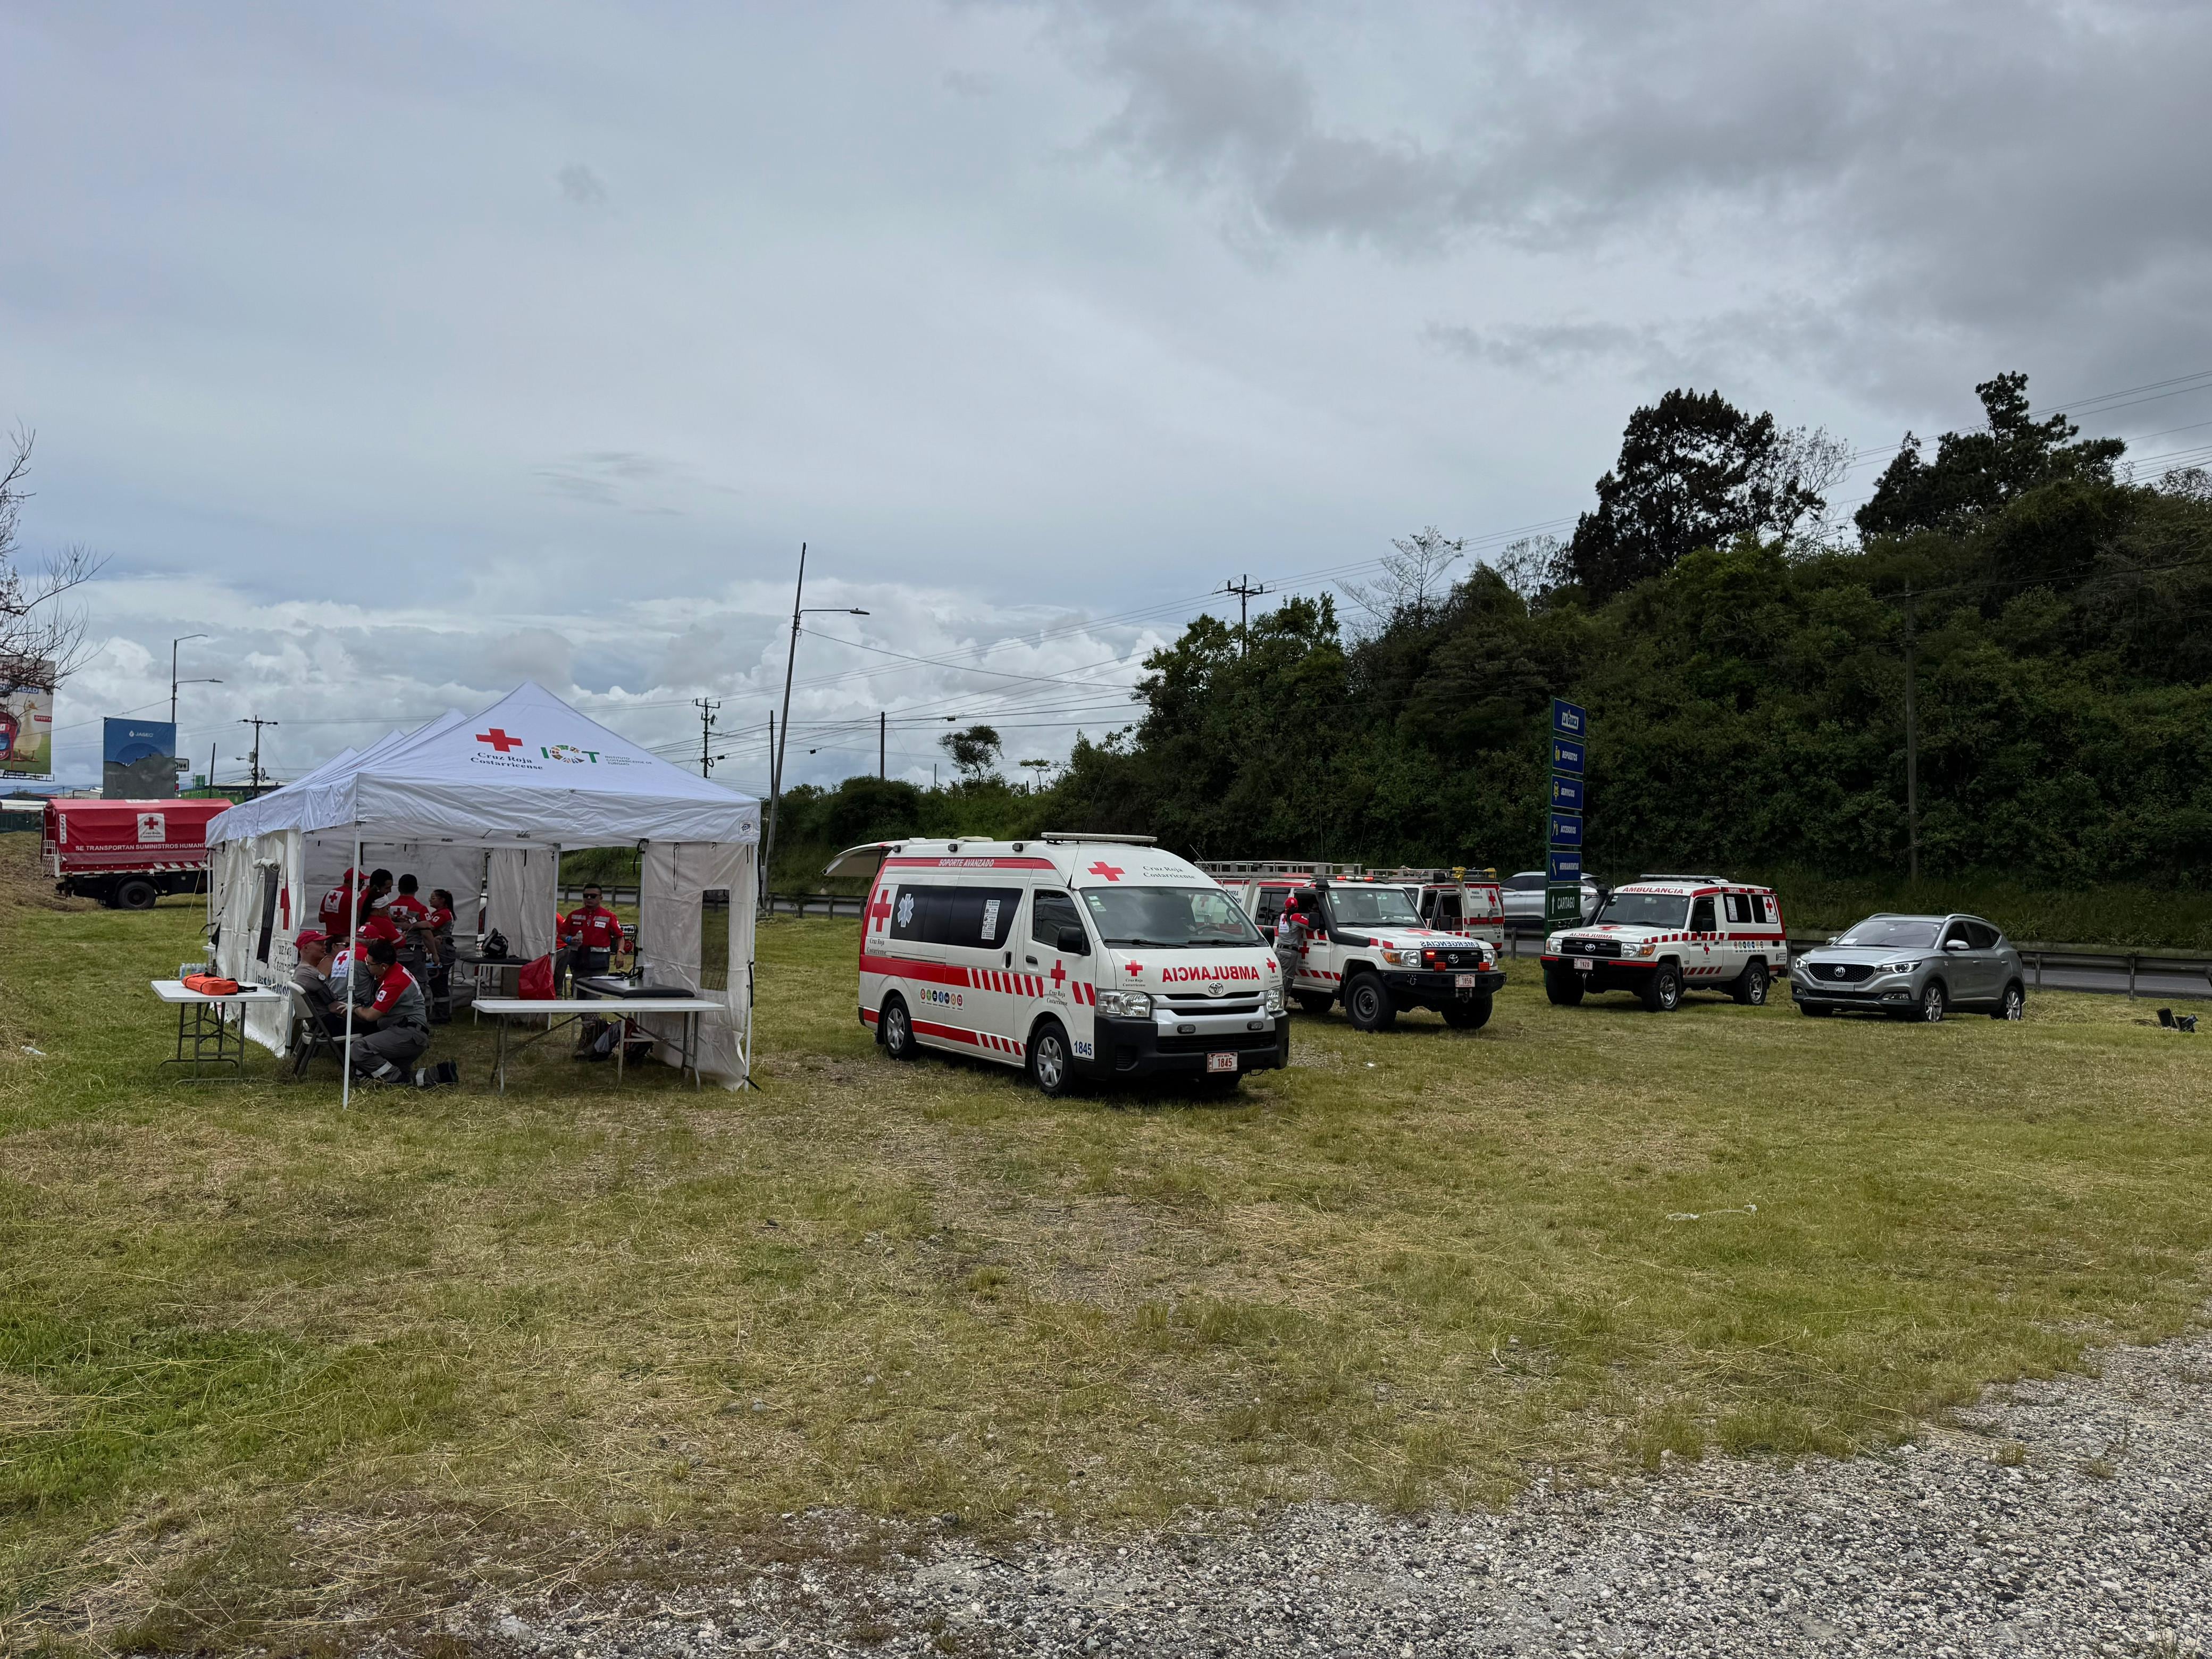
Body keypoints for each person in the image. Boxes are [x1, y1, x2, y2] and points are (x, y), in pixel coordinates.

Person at [345, 937, 457, 1088]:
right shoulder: (393, 972)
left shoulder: (395, 983)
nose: (367, 966)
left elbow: (371, 1016)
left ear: (383, 966)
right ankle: (441, 1074)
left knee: (360, 1048)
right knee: (385, 1070)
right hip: (406, 1032)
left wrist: (353, 1007)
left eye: (369, 964)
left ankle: (397, 1081)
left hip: (408, 1034)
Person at [559, 884, 624, 979]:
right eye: (586, 896)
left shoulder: (609, 917)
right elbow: (562, 933)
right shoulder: (574, 915)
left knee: (594, 992)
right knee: (578, 991)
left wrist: (620, 953)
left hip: (599, 963)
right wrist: (569, 939)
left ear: (601, 898)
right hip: (578, 962)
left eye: (593, 896)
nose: (589, 898)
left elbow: (620, 937)